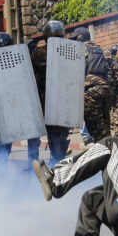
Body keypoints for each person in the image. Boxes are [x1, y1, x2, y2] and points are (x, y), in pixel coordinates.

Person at [71, 28, 118, 143]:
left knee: (96, 131)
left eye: (75, 38)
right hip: (106, 92)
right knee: (105, 125)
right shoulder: (104, 51)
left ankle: (105, 152)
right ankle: (110, 152)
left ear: (80, 37)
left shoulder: (78, 50)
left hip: (90, 93)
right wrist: (116, 91)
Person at [31, 20, 72, 164]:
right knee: (56, 136)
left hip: (45, 103)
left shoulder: (38, 53)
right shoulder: (68, 51)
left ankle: (36, 163)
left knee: (41, 134)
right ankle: (56, 162)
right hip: (56, 103)